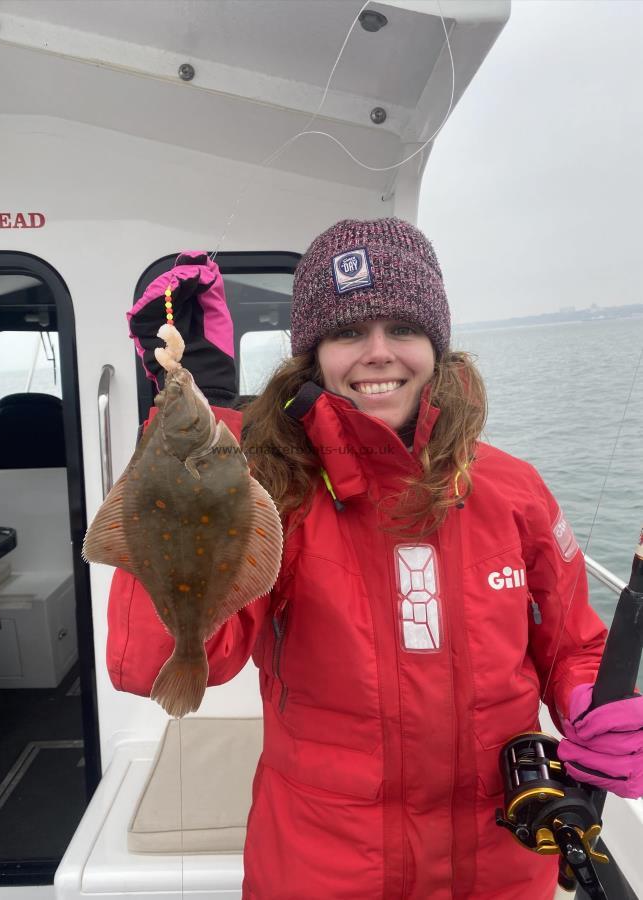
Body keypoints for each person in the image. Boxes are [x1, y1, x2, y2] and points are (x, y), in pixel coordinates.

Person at [107, 218, 642, 899]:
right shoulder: (270, 495)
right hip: (321, 869)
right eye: (347, 332)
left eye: (403, 330)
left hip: (499, 867)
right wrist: (194, 430)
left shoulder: (514, 489)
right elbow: (156, 661)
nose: (377, 353)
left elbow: (572, 645)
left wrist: (591, 702)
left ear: (436, 346)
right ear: (312, 353)